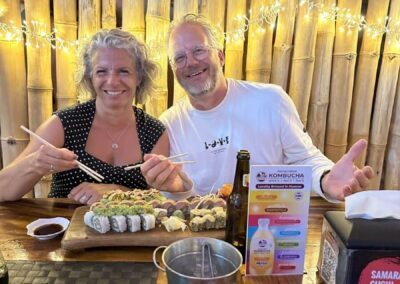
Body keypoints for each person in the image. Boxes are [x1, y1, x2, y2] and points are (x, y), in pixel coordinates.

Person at [141, 14, 374, 202]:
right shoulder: (169, 123)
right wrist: (173, 187)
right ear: (173, 69)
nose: (190, 62)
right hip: (205, 238)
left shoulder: (270, 100)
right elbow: (178, 193)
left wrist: (325, 179)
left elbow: (304, 158)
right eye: (179, 58)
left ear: (220, 56)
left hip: (271, 229)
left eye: (199, 51)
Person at [0, 29, 191, 204]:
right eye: (101, 71)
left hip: (128, 237)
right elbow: (3, 189)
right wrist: (36, 164)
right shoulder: (65, 123)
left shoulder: (154, 132)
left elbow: (154, 201)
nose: (112, 81)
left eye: (123, 71)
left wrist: (117, 192)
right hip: (65, 233)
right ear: (90, 77)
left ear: (138, 77)